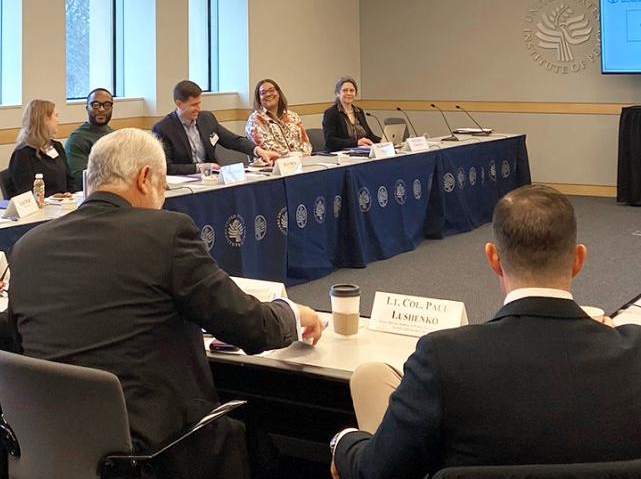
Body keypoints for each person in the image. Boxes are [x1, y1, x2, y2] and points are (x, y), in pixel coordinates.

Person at [7, 128, 323, 479]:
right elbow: (250, 327)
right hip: (152, 452)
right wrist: (293, 313)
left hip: (52, 446)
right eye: (162, 188)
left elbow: (22, 342)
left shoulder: (27, 247)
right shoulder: (166, 233)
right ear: (145, 178)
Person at [331, 185, 641, 479]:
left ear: (493, 258)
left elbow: (374, 472)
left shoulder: (444, 359)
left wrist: (342, 441)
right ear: (578, 259)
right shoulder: (634, 353)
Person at [153, 80, 279, 175]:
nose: (198, 108)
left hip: (211, 180)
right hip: (184, 184)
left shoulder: (206, 119)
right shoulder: (163, 129)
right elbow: (167, 167)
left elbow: (233, 141)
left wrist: (259, 151)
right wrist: (202, 167)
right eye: (193, 105)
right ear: (179, 104)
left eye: (199, 103)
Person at [8, 99, 74, 197]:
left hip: (64, 205)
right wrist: (52, 199)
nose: (58, 120)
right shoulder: (22, 154)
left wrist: (70, 194)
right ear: (45, 120)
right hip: (42, 208)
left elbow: (70, 181)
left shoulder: (57, 147)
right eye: (55, 116)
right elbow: (26, 194)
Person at [245, 79, 312, 157]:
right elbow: (267, 148)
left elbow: (305, 142)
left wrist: (302, 156)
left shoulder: (293, 116)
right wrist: (292, 157)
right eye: (263, 93)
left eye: (271, 90)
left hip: (301, 163)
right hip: (270, 166)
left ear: (278, 93)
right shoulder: (255, 120)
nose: (268, 94)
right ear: (259, 99)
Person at [64, 87, 114, 191]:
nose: (101, 109)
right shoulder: (78, 138)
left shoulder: (115, 135)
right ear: (87, 108)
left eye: (107, 105)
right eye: (96, 105)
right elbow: (78, 178)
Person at [322, 77, 380, 151]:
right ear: (337, 93)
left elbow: (369, 136)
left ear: (355, 93)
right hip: (339, 155)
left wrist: (385, 142)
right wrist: (356, 142)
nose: (349, 93)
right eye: (345, 90)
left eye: (352, 90)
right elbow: (330, 141)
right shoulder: (331, 113)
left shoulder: (359, 111)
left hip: (360, 152)